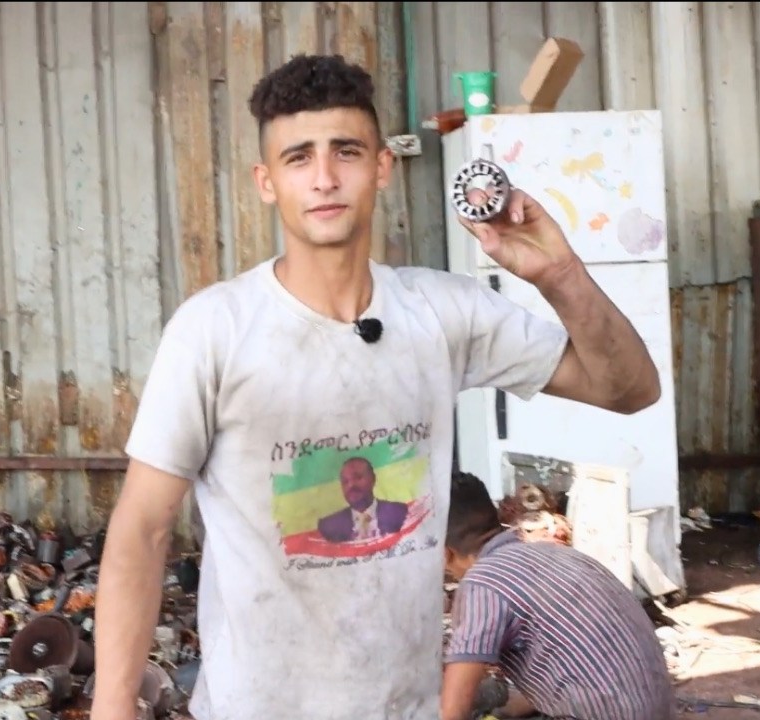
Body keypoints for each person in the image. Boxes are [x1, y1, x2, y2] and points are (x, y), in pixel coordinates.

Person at [91, 52, 662, 720]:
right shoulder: (214, 331)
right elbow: (142, 530)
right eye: (299, 157)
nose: (325, 177)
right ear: (266, 181)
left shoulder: (443, 313)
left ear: (382, 167)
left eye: (347, 151)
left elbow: (629, 390)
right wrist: (111, 703)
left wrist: (560, 273)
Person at [440, 471, 677, 720]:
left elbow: (452, 713)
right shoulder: (558, 555)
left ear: (445, 553)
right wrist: (504, 713)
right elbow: (569, 670)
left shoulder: (483, 583)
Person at [317, 456, 409, 542]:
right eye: (345, 481)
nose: (351, 485)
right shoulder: (328, 526)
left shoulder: (401, 513)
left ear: (373, 479)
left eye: (358, 478)